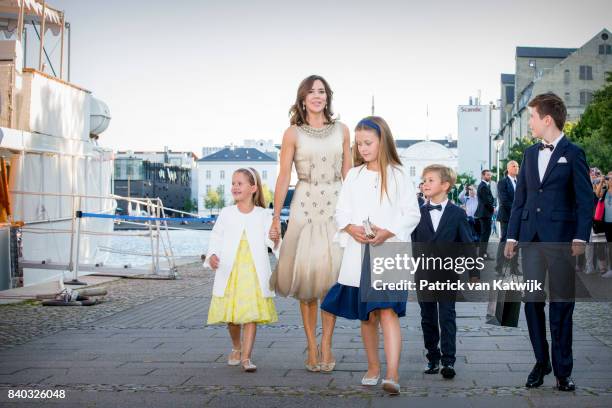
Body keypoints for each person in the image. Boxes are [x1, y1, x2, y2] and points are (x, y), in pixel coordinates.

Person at [320, 116, 421, 395]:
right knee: (367, 317)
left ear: (382, 141)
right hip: (360, 254)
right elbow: (341, 211)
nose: (362, 148)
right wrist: (350, 228)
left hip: (388, 252)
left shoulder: (399, 175)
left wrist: (388, 232)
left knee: (388, 312)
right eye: (358, 143)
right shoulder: (354, 175)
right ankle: (373, 366)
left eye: (368, 143)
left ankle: (392, 373)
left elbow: (412, 214)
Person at [505, 93, 593, 391]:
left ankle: (563, 371)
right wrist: (512, 235)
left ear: (546, 119)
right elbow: (521, 200)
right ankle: (541, 361)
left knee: (562, 306)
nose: (528, 122)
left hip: (561, 243)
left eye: (531, 117)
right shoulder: (529, 154)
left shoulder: (574, 152)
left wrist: (581, 236)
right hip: (530, 241)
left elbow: (585, 199)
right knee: (531, 304)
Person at [269, 75, 352, 373]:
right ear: (302, 98)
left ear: (327, 97)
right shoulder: (292, 133)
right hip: (304, 205)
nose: (317, 96)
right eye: (311, 92)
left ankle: (327, 344)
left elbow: (349, 176)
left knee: (331, 282)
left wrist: (356, 214)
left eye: (322, 91)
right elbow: (283, 177)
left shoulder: (342, 131)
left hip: (334, 205)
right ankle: (311, 345)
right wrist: (276, 218)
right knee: (306, 283)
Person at [205, 168, 280, 373]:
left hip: (254, 272)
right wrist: (212, 255)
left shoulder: (264, 215)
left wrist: (275, 238)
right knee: (232, 317)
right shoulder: (226, 213)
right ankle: (236, 346)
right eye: (233, 183)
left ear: (253, 188)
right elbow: (216, 236)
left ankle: (246, 357)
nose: (235, 187)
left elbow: (272, 241)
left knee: (250, 314)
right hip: (230, 270)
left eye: (240, 183)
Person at [413, 165, 478, 380]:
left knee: (447, 316)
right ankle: (433, 356)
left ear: (445, 185)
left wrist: (474, 272)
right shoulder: (416, 213)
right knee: (427, 317)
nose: (425, 184)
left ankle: (448, 360)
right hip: (423, 274)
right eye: (424, 180)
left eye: (430, 180)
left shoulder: (458, 214)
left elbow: (468, 243)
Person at [495, 161, 520, 275]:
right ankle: (498, 268)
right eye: (514, 166)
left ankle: (514, 268)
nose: (516, 168)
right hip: (506, 216)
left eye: (517, 166)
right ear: (508, 168)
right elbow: (504, 200)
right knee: (504, 241)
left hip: (518, 217)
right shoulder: (502, 182)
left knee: (516, 242)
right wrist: (516, 211)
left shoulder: (520, 182)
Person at [475, 169, 494, 258]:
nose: (489, 177)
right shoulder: (483, 186)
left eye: (490, 175)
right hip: (485, 213)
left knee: (485, 234)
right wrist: (492, 208)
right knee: (485, 234)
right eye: (487, 175)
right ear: (483, 176)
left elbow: (489, 199)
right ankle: (482, 254)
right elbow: (487, 201)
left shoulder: (484, 185)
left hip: (484, 213)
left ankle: (483, 253)